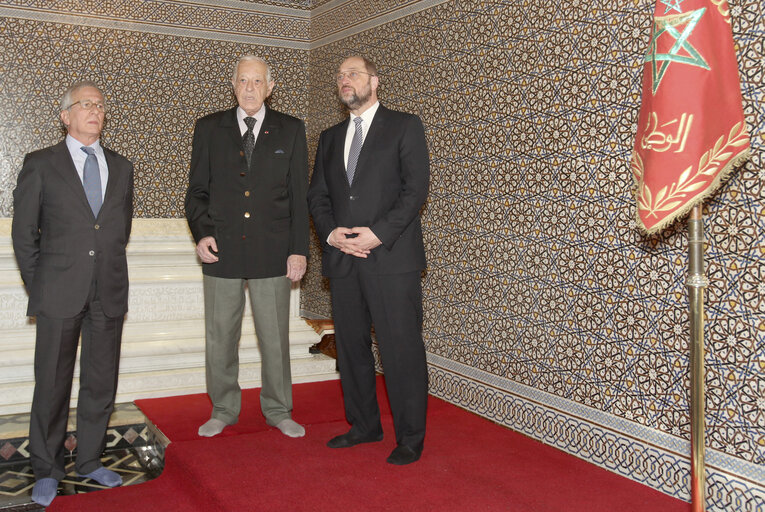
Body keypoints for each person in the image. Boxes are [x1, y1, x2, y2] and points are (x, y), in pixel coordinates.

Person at [12, 81, 134, 506]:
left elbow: (119, 230)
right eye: (85, 104)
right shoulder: (41, 164)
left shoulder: (122, 166)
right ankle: (46, 468)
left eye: (100, 104)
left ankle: (89, 462)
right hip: (57, 292)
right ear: (65, 116)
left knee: (101, 383)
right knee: (52, 384)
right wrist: (41, 283)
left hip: (109, 292)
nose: (94, 110)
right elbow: (24, 234)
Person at [307, 56, 430, 465]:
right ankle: (364, 426)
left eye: (353, 74)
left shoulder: (404, 126)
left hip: (391, 260)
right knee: (352, 348)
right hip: (344, 260)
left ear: (374, 81)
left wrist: (377, 233)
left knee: (401, 350)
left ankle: (410, 437)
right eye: (340, 75)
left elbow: (415, 190)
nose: (344, 80)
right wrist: (332, 233)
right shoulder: (329, 137)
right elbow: (318, 196)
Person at [185, 55, 309, 439]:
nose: (250, 88)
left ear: (270, 87)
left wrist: (298, 249)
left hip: (273, 251)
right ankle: (223, 408)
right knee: (221, 335)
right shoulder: (209, 128)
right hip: (221, 248)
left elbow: (298, 197)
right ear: (234, 85)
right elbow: (196, 193)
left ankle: (277, 409)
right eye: (243, 81)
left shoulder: (291, 129)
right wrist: (202, 232)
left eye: (258, 81)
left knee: (275, 336)